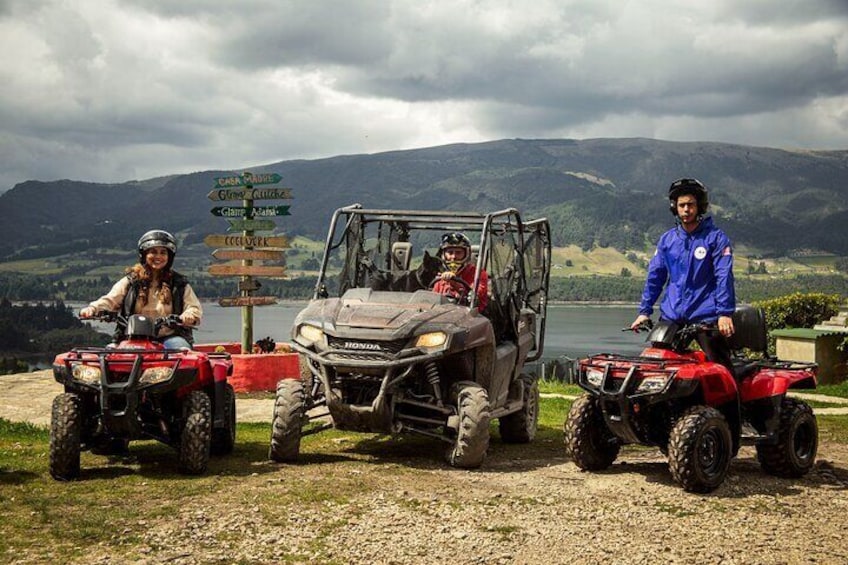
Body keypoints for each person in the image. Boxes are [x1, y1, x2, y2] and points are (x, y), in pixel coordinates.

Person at [631, 178, 736, 374]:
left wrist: (724, 313)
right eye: (681, 205)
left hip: (706, 315)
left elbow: (724, 276)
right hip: (672, 314)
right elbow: (655, 277)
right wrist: (644, 311)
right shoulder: (668, 240)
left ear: (700, 207)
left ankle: (734, 405)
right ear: (675, 208)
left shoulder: (715, 238)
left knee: (721, 369)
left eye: (690, 205)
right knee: (655, 366)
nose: (686, 210)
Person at [80, 229, 202, 348]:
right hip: (132, 337)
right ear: (144, 255)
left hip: (169, 337)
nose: (158, 256)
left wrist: (188, 315)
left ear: (169, 256)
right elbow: (110, 299)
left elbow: (193, 307)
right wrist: (92, 308)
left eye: (163, 252)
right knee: (110, 355)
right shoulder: (131, 281)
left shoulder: (179, 283)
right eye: (153, 252)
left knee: (179, 351)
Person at [432, 232, 489, 313]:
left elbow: (474, 298)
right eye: (450, 253)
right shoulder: (441, 277)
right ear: (444, 254)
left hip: (473, 318)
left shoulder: (478, 274)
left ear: (466, 254)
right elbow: (433, 300)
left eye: (458, 253)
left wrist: (454, 283)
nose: (453, 257)